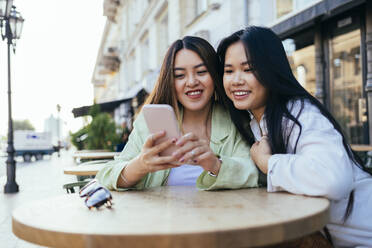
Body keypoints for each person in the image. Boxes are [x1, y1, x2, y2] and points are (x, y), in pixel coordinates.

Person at [217, 26, 372, 247]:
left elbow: (333, 180)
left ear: (271, 70)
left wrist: (268, 162)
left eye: (248, 69)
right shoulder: (254, 122)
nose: (236, 80)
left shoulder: (300, 112)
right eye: (229, 71)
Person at [96, 36, 259, 191]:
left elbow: (255, 174)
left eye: (201, 72)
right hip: (164, 219)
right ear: (170, 82)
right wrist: (141, 165)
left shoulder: (234, 119)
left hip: (224, 217)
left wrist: (215, 165)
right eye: (180, 75)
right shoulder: (150, 123)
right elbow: (106, 175)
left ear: (215, 75)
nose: (192, 82)